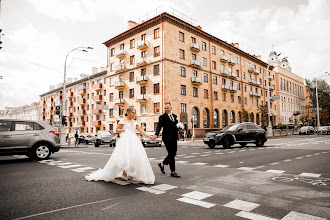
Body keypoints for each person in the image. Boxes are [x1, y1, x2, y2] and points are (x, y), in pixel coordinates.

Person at [85, 107, 155, 184]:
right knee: (125, 156)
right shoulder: (123, 121)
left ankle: (130, 173)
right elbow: (117, 130)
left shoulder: (135, 122)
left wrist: (149, 137)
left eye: (134, 113)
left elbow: (141, 131)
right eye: (132, 112)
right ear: (128, 112)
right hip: (125, 141)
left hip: (134, 141)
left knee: (134, 157)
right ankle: (124, 173)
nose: (133, 114)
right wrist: (123, 130)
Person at [152, 102, 180, 178]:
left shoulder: (175, 116)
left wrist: (180, 128)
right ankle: (173, 172)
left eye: (167, 108)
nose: (166, 109)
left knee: (173, 154)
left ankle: (162, 164)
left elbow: (176, 126)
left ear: (171, 108)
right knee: (171, 154)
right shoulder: (162, 117)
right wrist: (156, 134)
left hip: (174, 138)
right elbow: (159, 126)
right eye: (165, 108)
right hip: (167, 138)